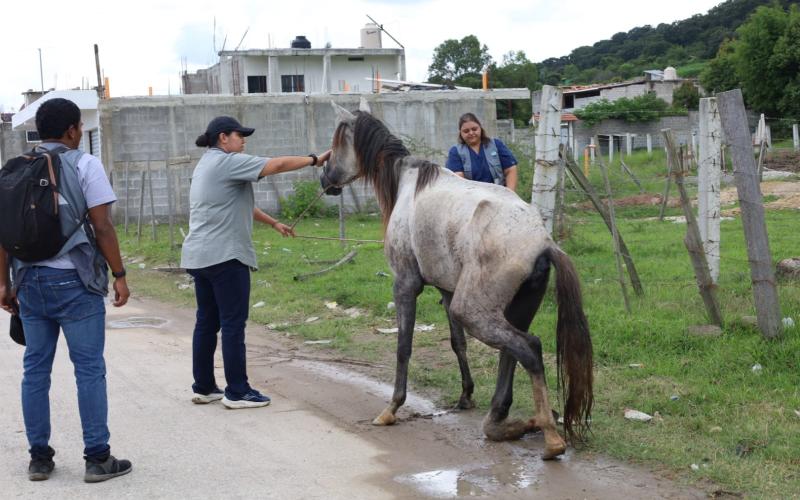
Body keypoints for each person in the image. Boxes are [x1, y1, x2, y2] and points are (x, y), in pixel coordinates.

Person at [0, 98, 132, 483]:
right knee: (89, 369)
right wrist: (119, 274)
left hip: (30, 284)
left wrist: (5, 283)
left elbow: (4, 235)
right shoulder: (85, 164)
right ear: (74, 129)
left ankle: (39, 458)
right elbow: (103, 226)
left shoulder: (13, 171)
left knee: (35, 370)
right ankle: (97, 458)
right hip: (75, 283)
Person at [182, 116, 330, 410]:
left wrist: (274, 223)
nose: (244, 140)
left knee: (206, 323)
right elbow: (274, 165)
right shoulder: (226, 162)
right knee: (233, 324)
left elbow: (238, 204)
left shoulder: (207, 164)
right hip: (225, 256)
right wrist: (314, 160)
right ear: (223, 137)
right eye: (240, 135)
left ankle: (204, 387)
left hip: (200, 256)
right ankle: (237, 391)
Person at [445, 112, 518, 192]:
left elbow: (510, 169)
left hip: (498, 196)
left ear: (480, 128)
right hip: (472, 199)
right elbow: (459, 181)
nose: (471, 133)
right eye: (466, 131)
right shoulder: (455, 152)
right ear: (460, 133)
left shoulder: (496, 145)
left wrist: (510, 195)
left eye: (474, 129)